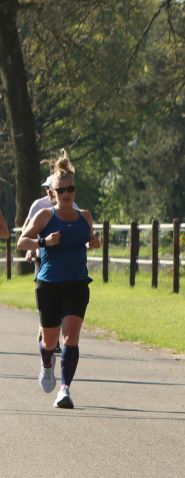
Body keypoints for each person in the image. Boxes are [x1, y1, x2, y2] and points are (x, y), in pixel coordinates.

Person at [17, 151, 101, 409]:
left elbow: (89, 240)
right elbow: (22, 242)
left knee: (71, 339)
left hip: (77, 284)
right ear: (52, 192)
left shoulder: (84, 216)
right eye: (61, 190)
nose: (66, 194)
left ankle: (64, 389)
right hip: (49, 285)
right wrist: (44, 242)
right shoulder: (45, 216)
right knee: (50, 342)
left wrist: (94, 242)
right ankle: (46, 363)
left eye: (70, 189)